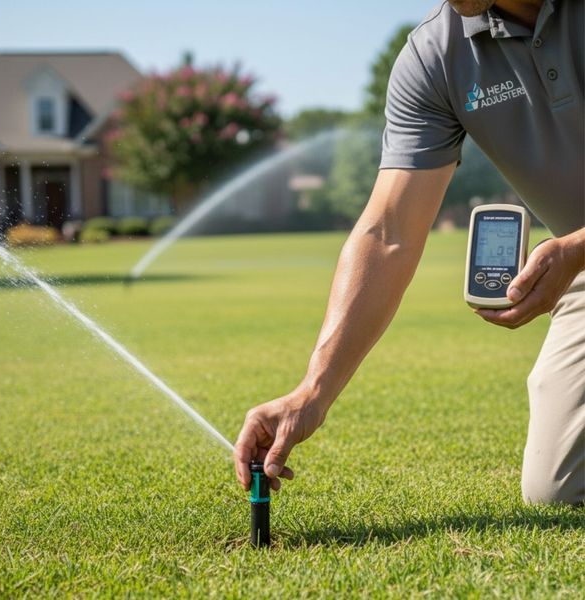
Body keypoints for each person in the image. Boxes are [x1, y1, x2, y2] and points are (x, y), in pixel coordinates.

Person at [234, 0, 585, 505]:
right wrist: (312, 392)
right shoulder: (435, 55)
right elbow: (388, 232)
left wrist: (574, 247)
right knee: (557, 491)